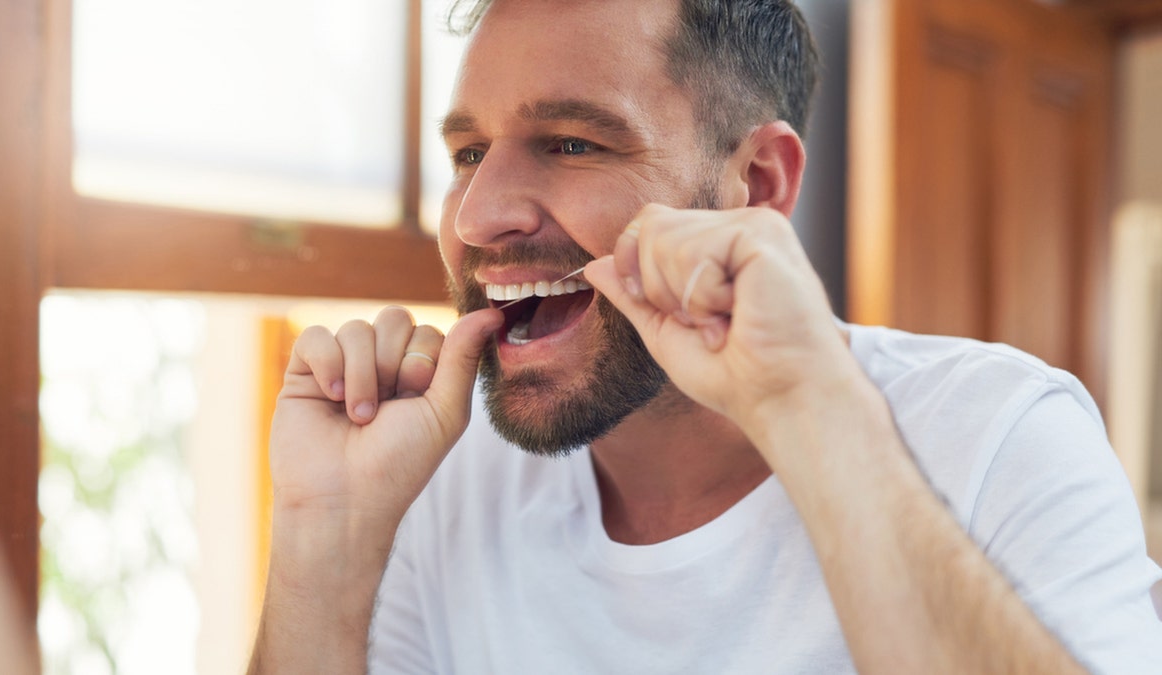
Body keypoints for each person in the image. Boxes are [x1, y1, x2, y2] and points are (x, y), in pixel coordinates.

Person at [249, 0, 1162, 672]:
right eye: (468, 154)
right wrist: (321, 538)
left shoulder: (1003, 436)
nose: (478, 216)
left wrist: (807, 408)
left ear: (757, 184)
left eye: (572, 143)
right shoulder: (442, 478)